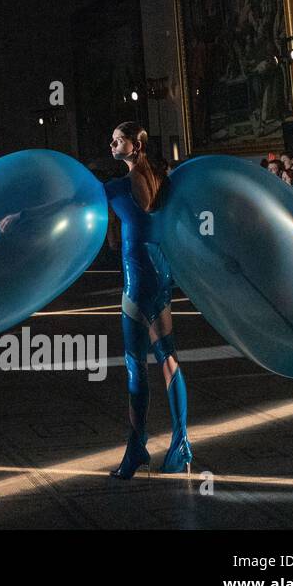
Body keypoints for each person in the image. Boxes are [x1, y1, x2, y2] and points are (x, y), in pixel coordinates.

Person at [104, 121, 191, 478]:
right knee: (168, 356)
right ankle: (181, 445)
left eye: (117, 140)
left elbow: (74, 204)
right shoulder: (165, 182)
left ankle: (136, 448)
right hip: (162, 275)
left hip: (137, 280)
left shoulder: (116, 189)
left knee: (135, 364)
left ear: (135, 147)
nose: (111, 145)